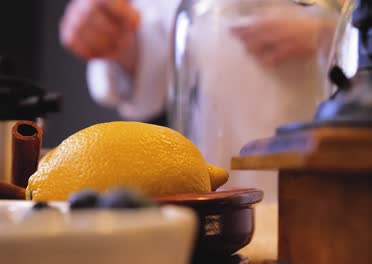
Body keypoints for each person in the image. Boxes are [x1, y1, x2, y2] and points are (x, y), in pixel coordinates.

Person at [60, 0, 341, 261]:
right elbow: (155, 52)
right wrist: (115, 35)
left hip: (329, 208)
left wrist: (332, 33)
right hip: (210, 192)